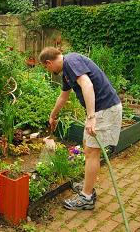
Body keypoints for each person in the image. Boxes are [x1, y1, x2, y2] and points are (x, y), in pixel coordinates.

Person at [39, 46, 122, 210]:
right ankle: (88, 187)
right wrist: (52, 116)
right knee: (89, 148)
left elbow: (87, 85)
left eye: (46, 67)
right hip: (101, 109)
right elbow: (63, 96)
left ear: (48, 62)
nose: (48, 70)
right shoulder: (67, 70)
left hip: (103, 109)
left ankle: (86, 197)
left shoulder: (71, 61)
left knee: (92, 152)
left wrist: (91, 117)